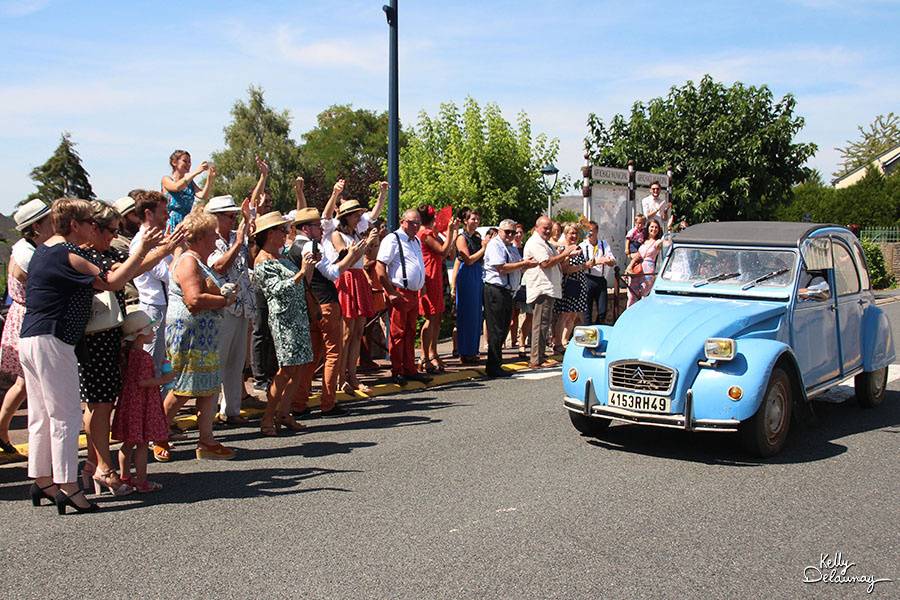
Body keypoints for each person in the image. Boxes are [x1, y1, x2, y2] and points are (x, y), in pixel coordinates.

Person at [21, 198, 160, 514]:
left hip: (32, 337)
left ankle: (43, 480)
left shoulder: (45, 251)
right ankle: (69, 487)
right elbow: (112, 281)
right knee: (65, 416)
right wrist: (142, 250)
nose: (94, 230)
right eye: (90, 224)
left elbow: (106, 278)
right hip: (54, 339)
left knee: (42, 415)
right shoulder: (66, 254)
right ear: (74, 225)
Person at [161, 210, 236, 460]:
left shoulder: (197, 261)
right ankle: (157, 435)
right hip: (190, 334)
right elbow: (193, 300)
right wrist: (225, 300)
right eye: (212, 233)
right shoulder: (188, 261)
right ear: (202, 236)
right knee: (183, 387)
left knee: (209, 386)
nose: (216, 237)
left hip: (202, 333)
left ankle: (206, 441)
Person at [288, 206, 365, 418]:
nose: (321, 228)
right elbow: (331, 273)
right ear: (305, 228)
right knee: (333, 353)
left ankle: (299, 402)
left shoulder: (293, 248)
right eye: (316, 225)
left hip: (310, 305)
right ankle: (328, 402)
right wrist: (351, 256)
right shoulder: (311, 248)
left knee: (312, 356)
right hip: (325, 304)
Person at [253, 211, 316, 435]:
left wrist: (305, 271)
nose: (287, 233)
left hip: (297, 317)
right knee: (286, 370)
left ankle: (284, 412)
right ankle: (268, 417)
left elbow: (299, 285)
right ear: (270, 234)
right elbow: (277, 290)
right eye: (282, 230)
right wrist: (301, 273)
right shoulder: (262, 262)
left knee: (298, 368)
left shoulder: (283, 257)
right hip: (284, 321)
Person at [0, 200, 53, 455]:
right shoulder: (26, 254)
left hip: (24, 315)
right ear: (36, 226)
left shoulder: (27, 247)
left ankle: (1, 427)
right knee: (29, 383)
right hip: (28, 318)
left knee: (24, 383)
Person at [206, 195, 256, 426]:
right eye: (229, 215)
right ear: (214, 217)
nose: (233, 218)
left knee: (236, 363)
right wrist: (239, 242)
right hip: (221, 307)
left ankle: (231, 410)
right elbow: (219, 266)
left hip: (241, 305)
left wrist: (247, 229)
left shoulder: (237, 237)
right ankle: (209, 412)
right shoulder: (208, 240)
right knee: (218, 362)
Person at [112, 308, 171, 493]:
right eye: (150, 330)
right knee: (142, 444)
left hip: (130, 403)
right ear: (140, 334)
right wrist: (164, 379)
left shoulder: (128, 355)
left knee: (128, 443)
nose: (153, 333)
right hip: (142, 403)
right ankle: (142, 480)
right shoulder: (143, 357)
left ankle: (125, 476)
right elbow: (143, 382)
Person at [376, 210, 431, 386]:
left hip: (413, 294)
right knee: (398, 333)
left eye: (418, 223)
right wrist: (390, 292)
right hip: (400, 292)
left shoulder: (415, 240)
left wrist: (421, 285)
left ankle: (410, 368)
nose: (416, 226)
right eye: (412, 222)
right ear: (402, 222)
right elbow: (380, 267)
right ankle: (397, 370)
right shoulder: (393, 239)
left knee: (409, 332)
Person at [331, 199, 381, 394]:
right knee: (345, 333)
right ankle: (340, 377)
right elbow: (345, 258)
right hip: (347, 278)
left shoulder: (356, 233)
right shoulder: (337, 235)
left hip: (359, 278)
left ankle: (352, 374)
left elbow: (368, 253)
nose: (358, 217)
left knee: (358, 331)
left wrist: (372, 243)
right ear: (345, 217)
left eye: (358, 214)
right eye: (354, 214)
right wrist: (366, 244)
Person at [482, 219, 537, 377]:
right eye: (507, 232)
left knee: (504, 327)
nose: (510, 235)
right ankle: (493, 366)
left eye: (513, 232)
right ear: (499, 231)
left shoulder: (512, 247)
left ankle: (497, 363)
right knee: (496, 329)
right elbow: (501, 267)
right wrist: (522, 264)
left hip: (508, 291)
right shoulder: (495, 245)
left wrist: (527, 264)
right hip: (495, 290)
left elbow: (516, 265)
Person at [522, 216, 579, 368]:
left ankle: (540, 356)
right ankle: (536, 359)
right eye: (544, 228)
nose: (547, 231)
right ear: (537, 227)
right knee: (540, 324)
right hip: (542, 288)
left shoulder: (544, 243)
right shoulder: (535, 243)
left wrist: (566, 255)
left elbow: (554, 260)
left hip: (549, 288)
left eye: (549, 228)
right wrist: (565, 252)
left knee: (544, 324)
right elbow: (546, 262)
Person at [131, 191, 175, 376]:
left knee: (161, 361)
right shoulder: (140, 243)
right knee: (150, 361)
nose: (167, 216)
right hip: (152, 307)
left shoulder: (159, 240)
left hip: (164, 305)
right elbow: (167, 275)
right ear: (149, 214)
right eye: (163, 211)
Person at [417, 205, 459, 374]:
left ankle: (433, 352)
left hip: (437, 275)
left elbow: (449, 253)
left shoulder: (431, 233)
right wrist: (450, 231)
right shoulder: (424, 234)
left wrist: (452, 234)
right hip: (430, 276)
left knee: (437, 317)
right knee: (430, 316)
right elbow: (442, 251)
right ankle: (424, 355)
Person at [455, 208, 488, 364]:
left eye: (477, 219)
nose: (475, 222)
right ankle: (464, 351)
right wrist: (484, 248)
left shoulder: (476, 236)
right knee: (466, 313)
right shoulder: (461, 238)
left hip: (477, 272)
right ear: (465, 221)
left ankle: (473, 350)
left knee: (476, 314)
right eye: (472, 219)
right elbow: (467, 259)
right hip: (467, 273)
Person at [554, 223, 591, 348]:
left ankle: (565, 340)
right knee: (564, 314)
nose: (574, 236)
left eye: (576, 233)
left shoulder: (579, 248)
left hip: (579, 283)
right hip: (569, 284)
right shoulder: (563, 249)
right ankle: (557, 342)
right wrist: (583, 266)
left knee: (573, 314)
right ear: (566, 234)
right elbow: (564, 269)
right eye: (571, 233)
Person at [161, 149, 216, 231]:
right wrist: (196, 172)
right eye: (185, 161)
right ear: (174, 162)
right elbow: (176, 187)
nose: (188, 164)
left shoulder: (190, 183)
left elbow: (203, 195)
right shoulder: (166, 179)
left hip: (186, 222)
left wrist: (210, 179)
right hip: (170, 221)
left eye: (189, 162)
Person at [579, 221, 616, 325]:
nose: (589, 234)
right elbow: (584, 264)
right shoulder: (582, 246)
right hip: (587, 279)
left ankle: (597, 328)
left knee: (602, 311)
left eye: (591, 231)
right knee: (587, 310)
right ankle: (588, 331)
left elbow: (612, 260)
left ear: (596, 231)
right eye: (587, 231)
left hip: (600, 279)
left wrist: (609, 261)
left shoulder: (604, 244)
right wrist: (598, 261)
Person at [627, 220, 666, 307]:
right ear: (648, 228)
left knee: (645, 293)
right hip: (637, 267)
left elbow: (663, 243)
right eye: (652, 226)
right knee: (632, 294)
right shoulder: (642, 240)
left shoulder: (657, 242)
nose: (654, 229)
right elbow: (635, 253)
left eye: (656, 227)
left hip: (648, 269)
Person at [509, 223, 532, 358]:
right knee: (512, 316)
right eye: (515, 232)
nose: (517, 235)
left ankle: (521, 342)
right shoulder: (510, 248)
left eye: (520, 232)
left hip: (525, 284)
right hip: (513, 284)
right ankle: (511, 341)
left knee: (528, 313)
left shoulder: (525, 248)